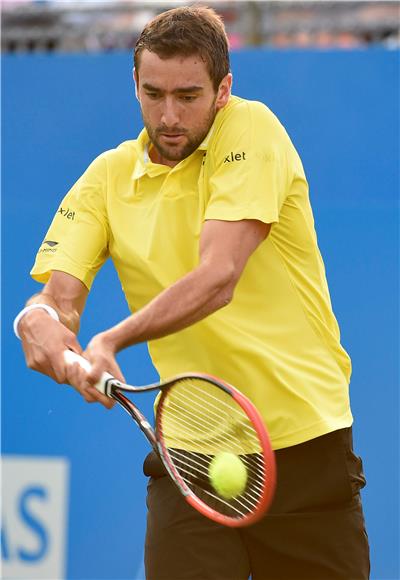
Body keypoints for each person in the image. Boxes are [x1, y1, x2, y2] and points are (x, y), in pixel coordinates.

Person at [14, 6, 370, 579]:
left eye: (188, 95)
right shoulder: (106, 177)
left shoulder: (252, 129)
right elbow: (57, 299)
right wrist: (40, 325)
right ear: (134, 85)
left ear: (223, 89)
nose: (169, 115)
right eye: (153, 94)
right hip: (190, 461)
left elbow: (218, 277)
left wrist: (112, 339)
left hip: (305, 451)